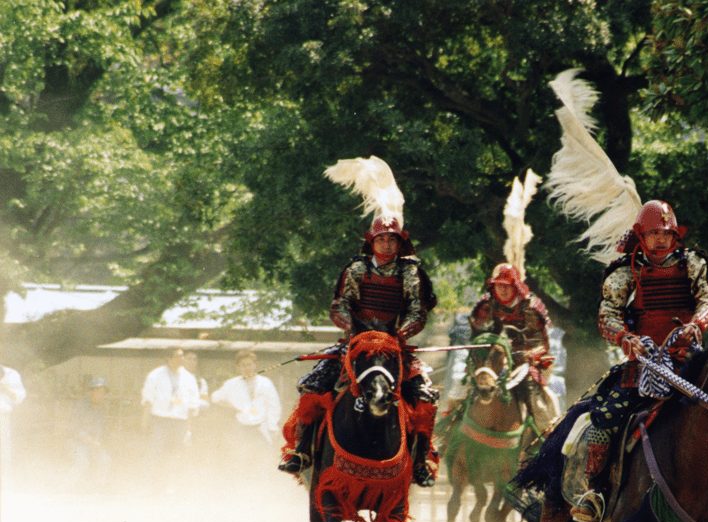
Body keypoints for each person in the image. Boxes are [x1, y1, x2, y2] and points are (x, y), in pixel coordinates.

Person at [279, 158, 439, 485]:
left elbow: (416, 310)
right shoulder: (356, 269)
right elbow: (340, 304)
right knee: (313, 386)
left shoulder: (410, 272)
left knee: (424, 397)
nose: (386, 244)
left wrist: (400, 332)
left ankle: (420, 461)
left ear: (399, 243)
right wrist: (353, 329)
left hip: (395, 345)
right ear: (372, 241)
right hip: (356, 342)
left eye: (392, 240)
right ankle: (301, 451)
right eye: (381, 240)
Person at [572, 199, 708, 522]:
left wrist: (695, 325)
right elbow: (607, 314)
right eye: (653, 233)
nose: (660, 239)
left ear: (675, 235)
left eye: (665, 233)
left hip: (690, 362)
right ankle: (596, 493)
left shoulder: (693, 263)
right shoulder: (624, 272)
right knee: (604, 419)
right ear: (640, 234)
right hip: (643, 364)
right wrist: (626, 338)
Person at [468, 262, 556, 425]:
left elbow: (543, 344)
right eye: (499, 285)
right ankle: (448, 427)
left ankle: (544, 438)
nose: (502, 289)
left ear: (515, 286)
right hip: (491, 359)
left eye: (507, 285)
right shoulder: (486, 305)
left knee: (537, 402)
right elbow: (478, 332)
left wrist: (526, 354)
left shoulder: (530, 307)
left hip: (525, 363)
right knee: (461, 387)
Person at [212, 350, 282, 463]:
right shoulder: (232, 384)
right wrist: (229, 406)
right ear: (238, 367)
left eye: (249, 364)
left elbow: (274, 406)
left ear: (255, 365)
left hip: (262, 428)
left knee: (262, 460)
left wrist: (272, 426)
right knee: (241, 460)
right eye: (243, 365)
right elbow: (215, 397)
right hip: (241, 427)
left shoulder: (265, 383)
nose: (247, 368)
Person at [141, 347, 201, 459]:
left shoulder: (189, 378)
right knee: (155, 452)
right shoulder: (155, 375)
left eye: (182, 355)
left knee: (177, 454)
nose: (182, 359)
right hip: (160, 420)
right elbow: (148, 400)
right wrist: (145, 422)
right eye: (178, 356)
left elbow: (192, 405)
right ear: (168, 358)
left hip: (180, 421)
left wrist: (189, 428)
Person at [66, 376, 113, 490]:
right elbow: (74, 428)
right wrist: (90, 441)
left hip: (92, 443)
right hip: (75, 442)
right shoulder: (80, 406)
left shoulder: (101, 409)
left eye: (103, 393)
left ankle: (99, 487)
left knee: (105, 459)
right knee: (82, 462)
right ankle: (67, 487)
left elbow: (100, 429)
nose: (101, 395)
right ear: (91, 392)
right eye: (98, 391)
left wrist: (98, 442)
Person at [0, 363, 27, 483]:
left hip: (3, 417)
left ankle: (5, 484)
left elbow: (20, 398)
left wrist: (5, 389)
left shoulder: (11, 374)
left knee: (3, 452)